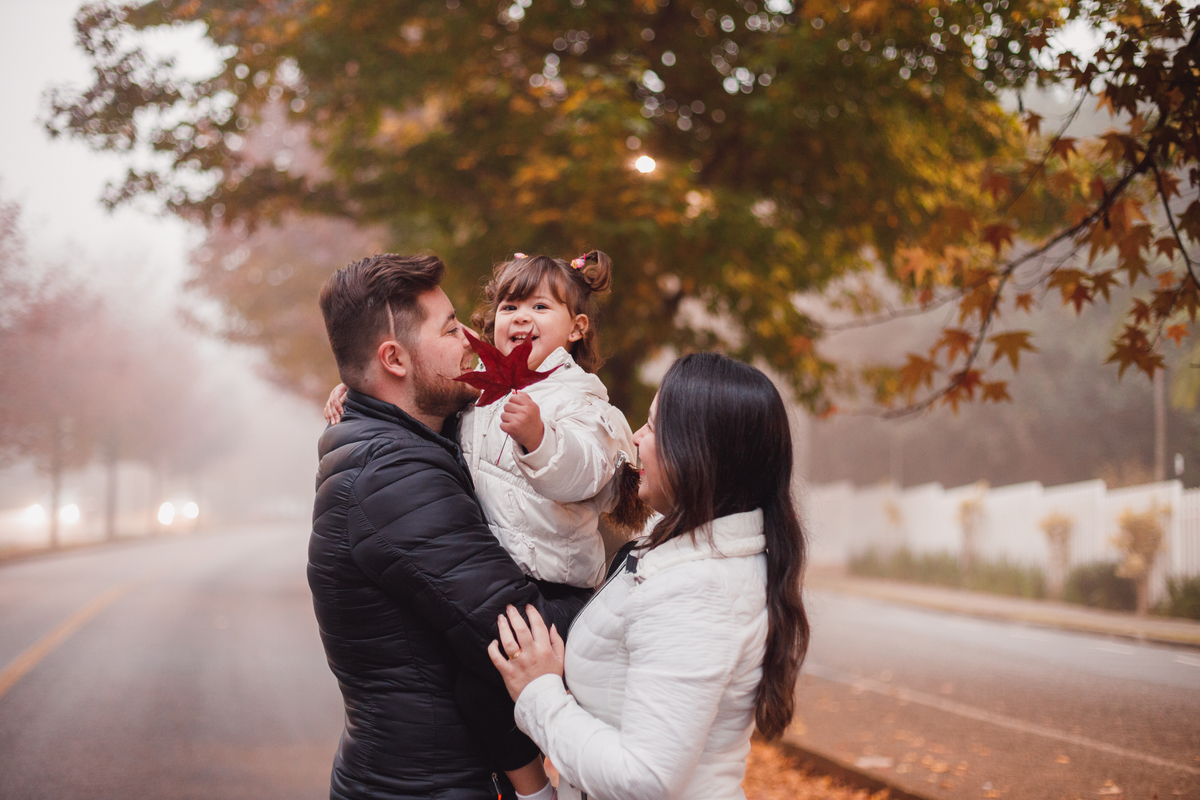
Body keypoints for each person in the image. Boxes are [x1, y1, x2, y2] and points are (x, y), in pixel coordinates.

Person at [309, 253, 591, 800]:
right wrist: (636, 591)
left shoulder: (412, 442)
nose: (472, 336)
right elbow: (514, 631)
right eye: (450, 327)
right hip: (427, 786)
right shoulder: (392, 477)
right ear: (394, 358)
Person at [489, 352, 812, 800]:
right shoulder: (678, 548)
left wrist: (539, 694)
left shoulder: (700, 590)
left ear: (700, 454)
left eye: (655, 426)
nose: (637, 438)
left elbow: (646, 778)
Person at [328, 251, 648, 590]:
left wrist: (540, 440)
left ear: (576, 328)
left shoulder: (577, 397)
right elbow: (419, 388)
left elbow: (586, 472)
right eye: (509, 307)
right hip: (488, 562)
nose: (521, 317)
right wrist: (359, 385)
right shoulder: (480, 382)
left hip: (551, 578)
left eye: (540, 307)